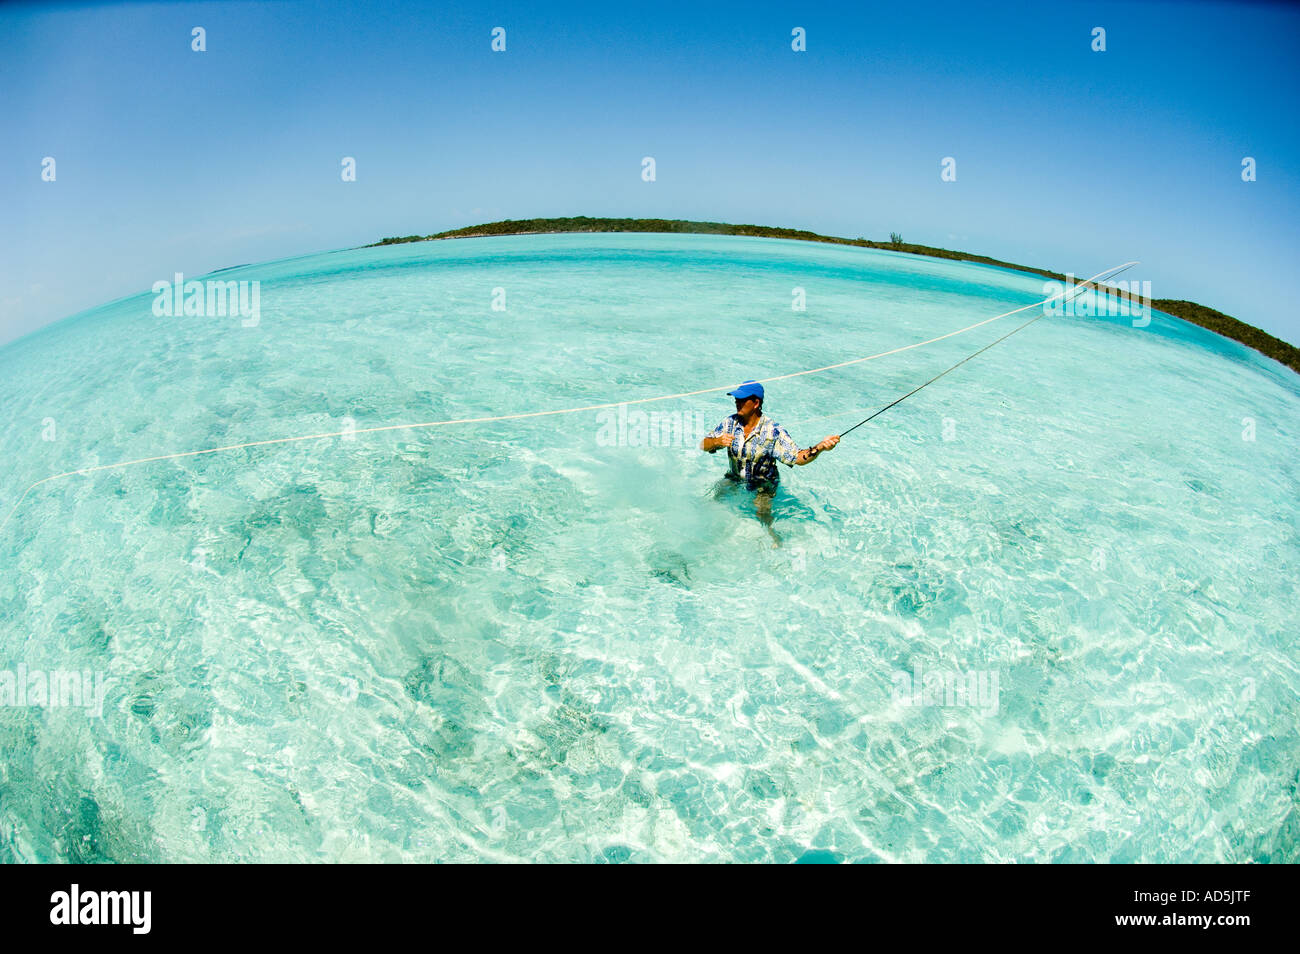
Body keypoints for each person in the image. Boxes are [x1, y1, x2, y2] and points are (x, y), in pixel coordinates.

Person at [700, 380, 839, 543]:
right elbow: (703, 444)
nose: (737, 403)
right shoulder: (730, 423)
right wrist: (716, 442)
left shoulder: (773, 431)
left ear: (756, 403)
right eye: (736, 399)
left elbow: (798, 457)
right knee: (712, 503)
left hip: (763, 485)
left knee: (763, 518)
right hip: (735, 477)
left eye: (742, 400)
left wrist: (820, 447)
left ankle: (775, 541)